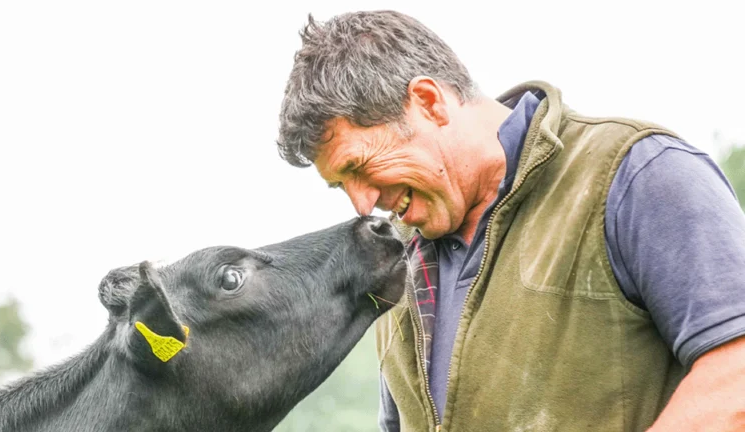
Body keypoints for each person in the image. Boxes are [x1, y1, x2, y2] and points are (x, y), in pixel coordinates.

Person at [276, 10, 745, 432]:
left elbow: (736, 377)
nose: (362, 204)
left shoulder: (635, 173)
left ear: (429, 102)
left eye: (358, 167)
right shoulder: (397, 262)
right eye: (342, 185)